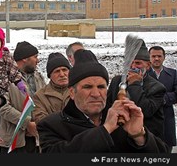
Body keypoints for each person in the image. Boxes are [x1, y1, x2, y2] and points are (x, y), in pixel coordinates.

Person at [37, 49, 169, 153]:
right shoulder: (51, 125)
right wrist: (105, 130)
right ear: (72, 92)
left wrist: (139, 136)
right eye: (87, 87)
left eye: (101, 87)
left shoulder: (123, 121)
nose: (95, 94)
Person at [105, 39, 166, 143]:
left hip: (143, 139)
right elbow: (108, 106)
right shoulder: (117, 81)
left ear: (148, 65)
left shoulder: (157, 87)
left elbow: (146, 110)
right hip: (118, 138)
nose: (133, 67)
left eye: (138, 63)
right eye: (130, 63)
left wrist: (134, 84)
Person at [0, 41, 45, 153]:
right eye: (35, 57)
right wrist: (27, 123)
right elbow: (2, 107)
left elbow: (43, 102)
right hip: (14, 141)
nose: (38, 60)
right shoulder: (4, 78)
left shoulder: (38, 77)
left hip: (36, 139)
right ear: (25, 59)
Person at [148, 45, 177, 151]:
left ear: (164, 57)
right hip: (149, 120)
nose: (156, 59)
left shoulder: (173, 74)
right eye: (153, 56)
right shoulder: (142, 75)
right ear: (149, 58)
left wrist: (161, 99)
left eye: (159, 56)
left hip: (167, 120)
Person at [33, 52, 71, 124]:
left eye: (64, 70)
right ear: (50, 75)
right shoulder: (40, 96)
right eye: (57, 71)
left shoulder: (78, 91)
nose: (62, 74)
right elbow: (41, 121)